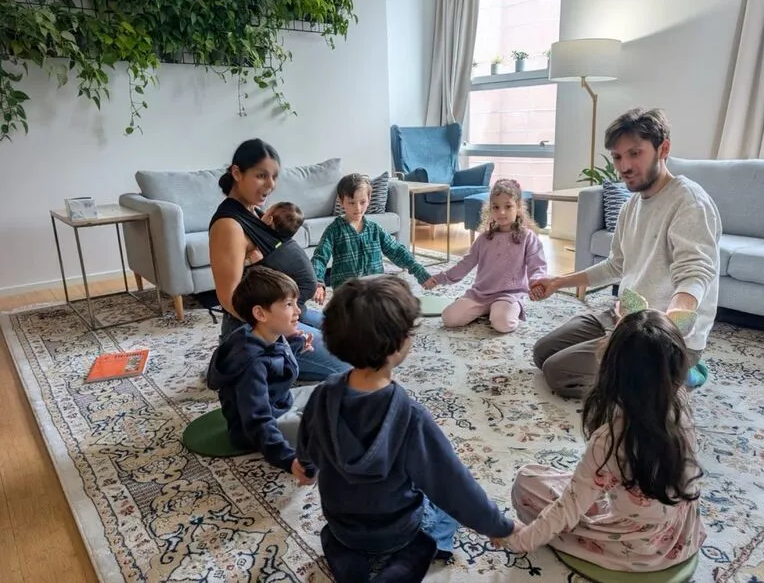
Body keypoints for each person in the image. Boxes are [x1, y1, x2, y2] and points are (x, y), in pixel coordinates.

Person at [295, 276, 517, 583]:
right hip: (396, 529)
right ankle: (413, 557)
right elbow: (452, 484)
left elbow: (307, 445)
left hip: (343, 525)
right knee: (445, 511)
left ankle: (351, 567)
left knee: (334, 536)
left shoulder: (322, 395)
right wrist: (499, 526)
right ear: (399, 344)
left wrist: (306, 466)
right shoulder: (410, 416)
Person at [530, 108, 721, 398]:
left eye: (635, 153)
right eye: (618, 157)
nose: (624, 166)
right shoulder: (631, 205)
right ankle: (650, 372)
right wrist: (557, 282)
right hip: (623, 316)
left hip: (659, 336)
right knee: (542, 352)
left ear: (663, 149)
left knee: (559, 372)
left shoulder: (689, 202)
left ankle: (679, 372)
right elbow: (615, 266)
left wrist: (671, 323)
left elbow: (695, 273)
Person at [497, 309, 706, 572]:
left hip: (636, 548)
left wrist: (518, 540)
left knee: (527, 481)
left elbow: (568, 509)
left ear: (612, 370)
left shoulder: (610, 440)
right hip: (680, 534)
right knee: (587, 485)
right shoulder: (681, 402)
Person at [208, 138, 348, 380]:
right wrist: (283, 332)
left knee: (351, 337)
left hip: (283, 312)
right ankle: (251, 364)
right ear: (237, 173)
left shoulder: (254, 211)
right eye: (261, 176)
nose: (271, 184)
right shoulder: (228, 226)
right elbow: (229, 298)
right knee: (348, 362)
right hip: (256, 330)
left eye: (274, 177)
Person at [206, 266, 316, 485]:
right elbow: (258, 421)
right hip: (258, 426)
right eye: (289, 304)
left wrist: (296, 344)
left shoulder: (263, 333)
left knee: (331, 392)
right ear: (260, 313)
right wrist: (288, 460)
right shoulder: (251, 365)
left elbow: (274, 359)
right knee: (327, 424)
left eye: (296, 303)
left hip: (280, 401)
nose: (298, 311)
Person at [423, 179, 547, 333]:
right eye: (496, 207)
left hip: (509, 295)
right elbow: (465, 264)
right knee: (449, 318)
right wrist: (440, 278)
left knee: (503, 324)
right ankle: (486, 310)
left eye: (508, 206)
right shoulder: (484, 238)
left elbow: (537, 265)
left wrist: (536, 283)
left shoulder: (527, 237)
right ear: (490, 209)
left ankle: (502, 310)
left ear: (518, 207)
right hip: (480, 293)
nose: (501, 212)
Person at [310, 174, 431, 302]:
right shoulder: (334, 230)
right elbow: (320, 258)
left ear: (369, 199)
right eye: (351, 202)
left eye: (362, 202)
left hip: (374, 291)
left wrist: (419, 272)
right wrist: (318, 283)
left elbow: (397, 251)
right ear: (341, 201)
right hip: (347, 294)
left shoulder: (375, 229)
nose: (357, 208)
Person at [243, 201, 322, 328]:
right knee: (296, 306)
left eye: (267, 211)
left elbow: (263, 273)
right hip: (307, 282)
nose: (262, 213)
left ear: (270, 220)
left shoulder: (274, 250)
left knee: (291, 310)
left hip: (302, 286)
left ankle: (297, 323)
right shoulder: (280, 239)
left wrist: (256, 262)